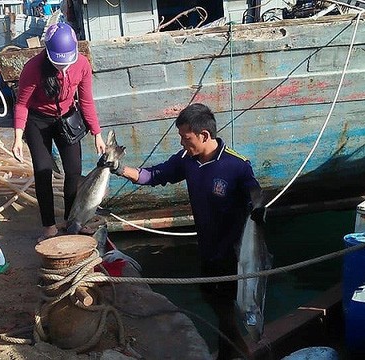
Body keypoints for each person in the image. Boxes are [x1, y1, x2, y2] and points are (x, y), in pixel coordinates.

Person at [102, 103, 263, 359]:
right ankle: (234, 352)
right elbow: (153, 175)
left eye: (186, 138)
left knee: (226, 311)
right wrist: (118, 168)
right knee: (216, 305)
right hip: (207, 251)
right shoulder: (187, 160)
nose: (182, 144)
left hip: (234, 256)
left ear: (204, 135)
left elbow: (254, 195)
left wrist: (257, 204)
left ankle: (241, 354)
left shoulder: (236, 166)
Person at [12, 22, 106, 241]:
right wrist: (18, 136)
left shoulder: (81, 64)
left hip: (66, 118)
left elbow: (86, 101)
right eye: (58, 64)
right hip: (38, 120)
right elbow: (22, 104)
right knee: (43, 171)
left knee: (74, 171)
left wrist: (97, 133)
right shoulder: (33, 68)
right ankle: (49, 226)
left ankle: (73, 220)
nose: (62, 68)